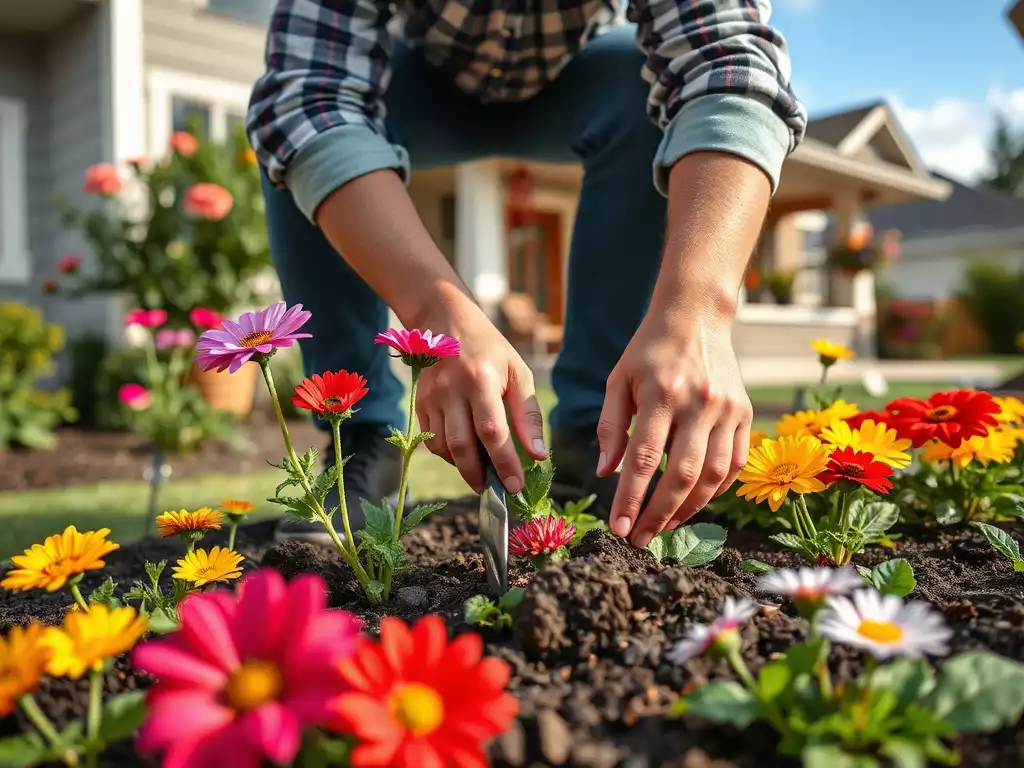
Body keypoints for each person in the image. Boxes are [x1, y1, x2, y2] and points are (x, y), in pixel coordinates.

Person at [247, 0, 807, 548]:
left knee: (640, 84)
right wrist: (435, 312)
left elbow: (731, 67)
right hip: (413, 86)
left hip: (580, 84)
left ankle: (592, 434)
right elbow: (308, 99)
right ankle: (362, 435)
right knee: (301, 135)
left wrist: (700, 308)